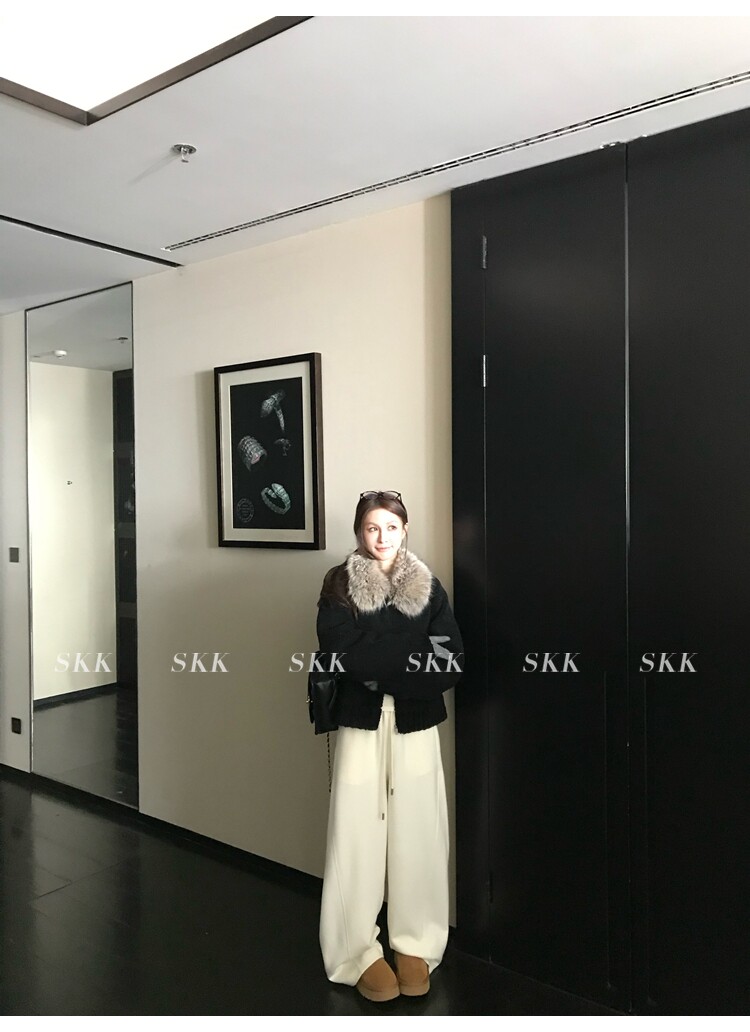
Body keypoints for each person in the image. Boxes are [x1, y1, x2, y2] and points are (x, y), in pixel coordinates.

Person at [316, 489, 464, 1002]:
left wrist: (380, 659)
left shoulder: (430, 586)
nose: (382, 537)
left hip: (417, 720)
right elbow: (341, 651)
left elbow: (450, 659)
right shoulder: (338, 583)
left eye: (392, 527)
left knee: (419, 829)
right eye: (372, 527)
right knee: (355, 831)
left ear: (405, 531)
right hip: (359, 721)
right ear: (360, 531)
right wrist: (409, 651)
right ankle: (354, 951)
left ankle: (416, 942)